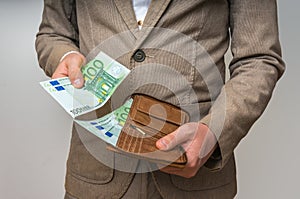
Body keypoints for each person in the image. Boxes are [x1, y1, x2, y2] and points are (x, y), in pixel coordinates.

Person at [35, 1, 285, 198]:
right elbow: (53, 33)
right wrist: (64, 56)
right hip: (94, 176)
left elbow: (259, 59)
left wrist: (214, 131)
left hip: (195, 182)